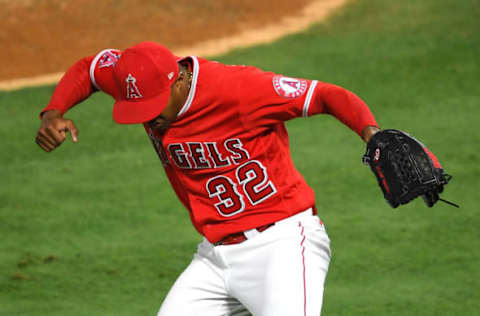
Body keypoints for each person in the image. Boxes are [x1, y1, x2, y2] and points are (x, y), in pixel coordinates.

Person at [36, 41, 380, 316]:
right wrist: (54, 112)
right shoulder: (136, 78)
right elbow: (90, 69)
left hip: (282, 247)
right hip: (214, 258)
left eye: (154, 106)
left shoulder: (239, 88)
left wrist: (372, 136)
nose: (148, 118)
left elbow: (323, 95)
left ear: (179, 80)